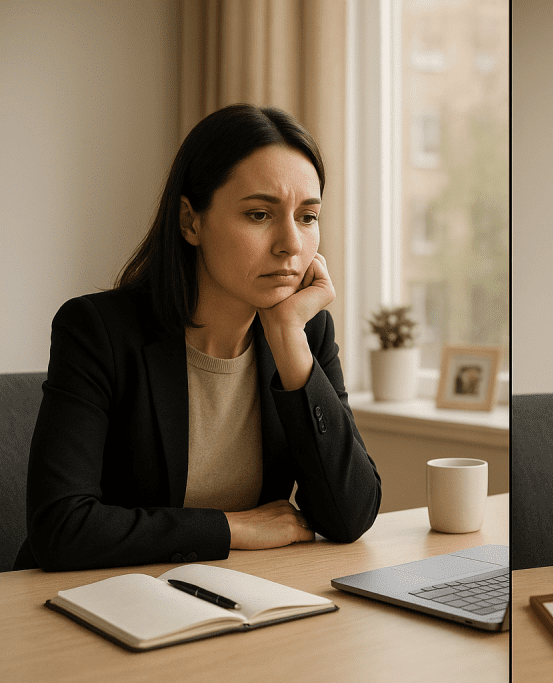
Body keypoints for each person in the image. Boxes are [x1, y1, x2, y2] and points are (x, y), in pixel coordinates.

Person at [16, 104, 381, 571]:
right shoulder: (96, 330)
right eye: (258, 214)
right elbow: (61, 529)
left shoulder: (305, 331)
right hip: (94, 600)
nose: (291, 242)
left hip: (233, 597)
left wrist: (289, 338)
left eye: (308, 217)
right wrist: (234, 528)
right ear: (191, 222)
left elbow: (350, 515)